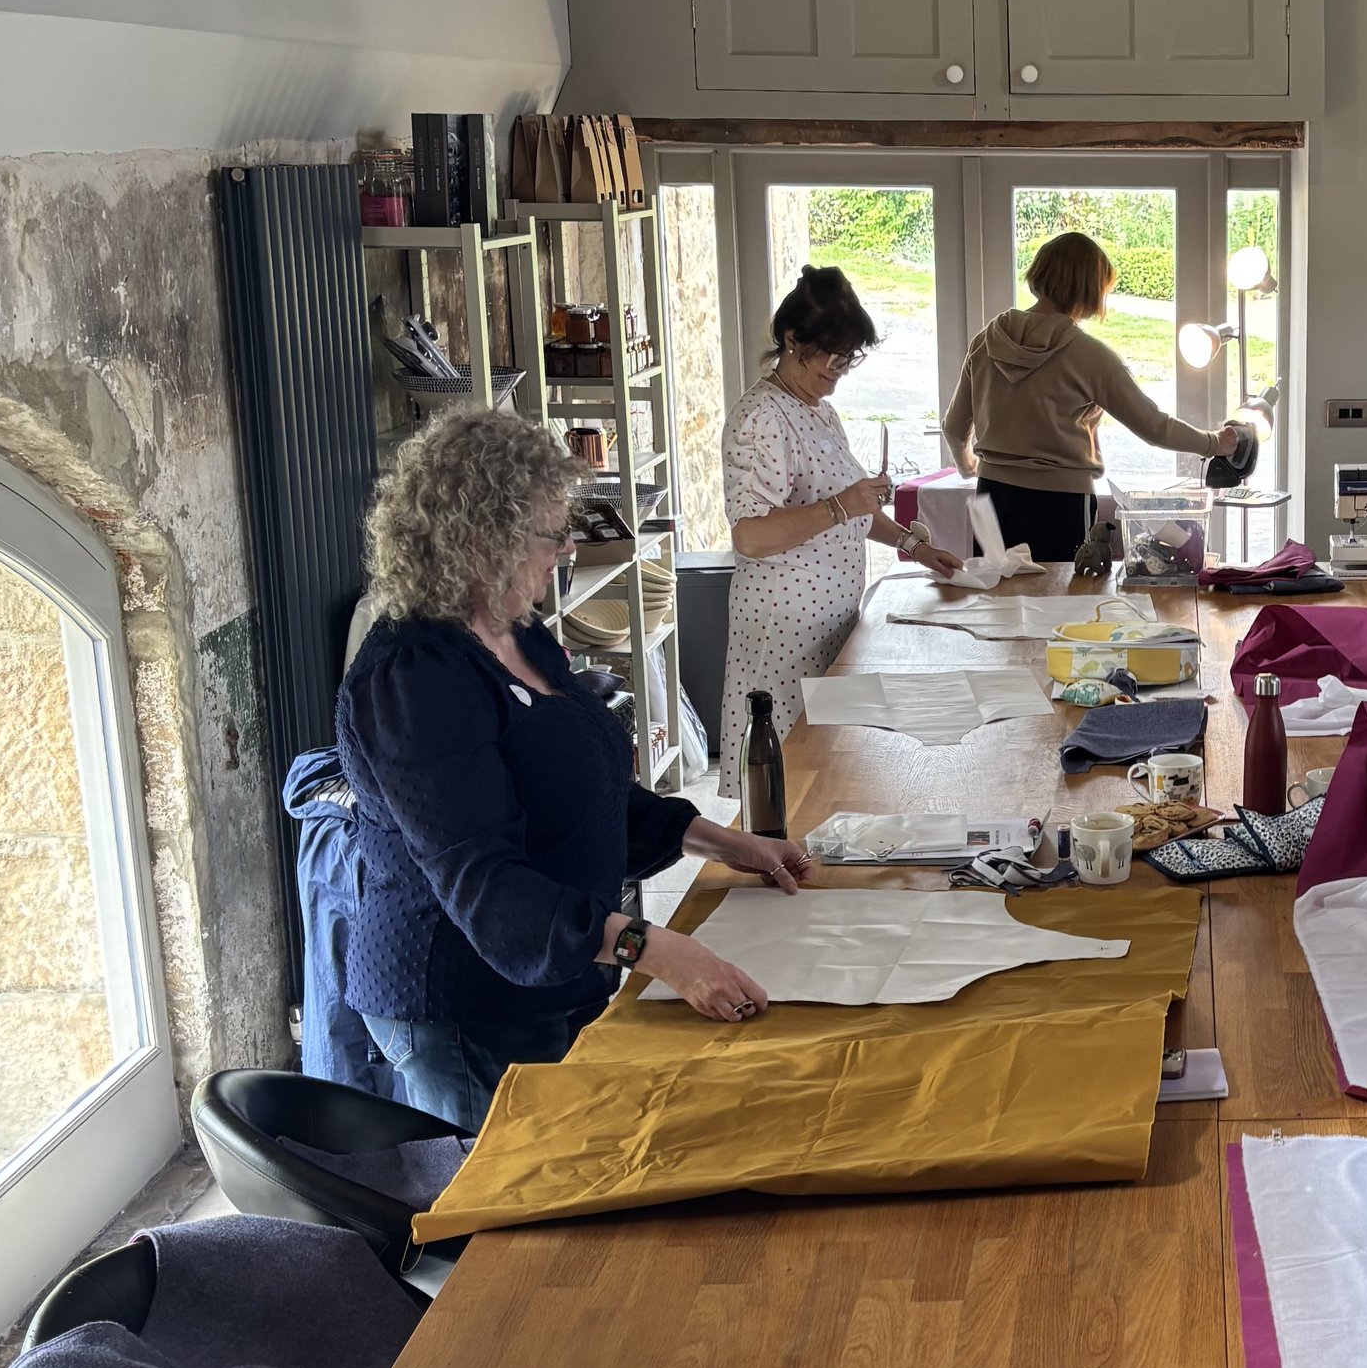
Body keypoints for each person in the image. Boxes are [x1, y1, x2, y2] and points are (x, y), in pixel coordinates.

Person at [340, 412, 805, 1134]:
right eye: (549, 534)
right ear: (475, 537)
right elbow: (489, 888)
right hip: (464, 1006)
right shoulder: (414, 677)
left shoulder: (512, 627)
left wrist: (727, 842)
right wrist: (654, 948)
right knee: (510, 1219)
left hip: (558, 973)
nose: (565, 551)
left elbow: (587, 792)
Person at [721, 265, 960, 740]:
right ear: (792, 339)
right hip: (783, 626)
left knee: (828, 756)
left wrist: (914, 546)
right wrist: (840, 506)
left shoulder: (820, 410)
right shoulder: (761, 418)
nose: (836, 368)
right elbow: (750, 536)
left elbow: (855, 512)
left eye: (847, 357)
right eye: (827, 354)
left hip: (829, 620)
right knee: (792, 767)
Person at [941, 231, 1244, 562]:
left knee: (994, 597)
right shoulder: (1089, 356)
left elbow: (954, 427)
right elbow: (1154, 426)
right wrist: (1216, 443)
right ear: (1089, 289)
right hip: (1060, 503)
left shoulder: (986, 341)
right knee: (1060, 603)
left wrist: (970, 466)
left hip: (991, 496)